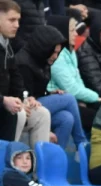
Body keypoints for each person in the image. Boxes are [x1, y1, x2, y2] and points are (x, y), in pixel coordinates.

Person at [17, 24, 88, 150]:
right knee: (69, 98)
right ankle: (81, 143)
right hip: (24, 106)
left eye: (58, 52)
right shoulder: (24, 63)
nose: (55, 56)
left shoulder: (42, 59)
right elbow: (24, 93)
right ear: (43, 48)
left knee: (66, 118)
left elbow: (37, 90)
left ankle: (53, 161)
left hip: (37, 102)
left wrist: (49, 93)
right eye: (53, 52)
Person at [0, 0, 51, 146]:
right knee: (18, 113)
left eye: (18, 20)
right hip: (3, 105)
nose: (17, 25)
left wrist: (25, 98)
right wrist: (4, 100)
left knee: (42, 113)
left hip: (3, 107)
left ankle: (37, 166)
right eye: (12, 20)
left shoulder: (7, 45)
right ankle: (9, 163)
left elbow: (16, 77)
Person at [48, 15, 100, 136]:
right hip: (62, 101)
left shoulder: (69, 52)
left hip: (75, 100)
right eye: (72, 31)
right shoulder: (58, 57)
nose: (76, 34)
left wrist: (88, 99)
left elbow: (78, 81)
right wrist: (96, 97)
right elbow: (71, 89)